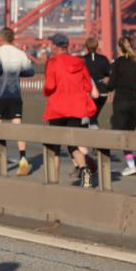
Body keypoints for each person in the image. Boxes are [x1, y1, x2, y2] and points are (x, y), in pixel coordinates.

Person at [42, 33, 99, 188]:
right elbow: (88, 86)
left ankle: (53, 182)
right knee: (73, 143)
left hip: (57, 108)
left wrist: (47, 92)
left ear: (54, 46)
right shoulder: (79, 62)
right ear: (66, 46)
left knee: (54, 146)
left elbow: (49, 86)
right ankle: (84, 169)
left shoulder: (52, 62)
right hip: (76, 108)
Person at [0, 27, 34, 176]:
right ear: (13, 38)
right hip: (15, 96)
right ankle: (23, 159)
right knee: (18, 129)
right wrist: (18, 72)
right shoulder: (20, 53)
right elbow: (30, 72)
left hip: (0, 96)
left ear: (1, 38)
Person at [107, 37, 136, 176]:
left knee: (122, 135)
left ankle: (131, 165)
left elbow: (111, 85)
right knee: (130, 133)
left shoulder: (117, 63)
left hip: (121, 102)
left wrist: (106, 82)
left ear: (119, 48)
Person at [81, 36, 111, 129]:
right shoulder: (103, 59)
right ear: (97, 46)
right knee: (94, 115)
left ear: (86, 46)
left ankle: (89, 137)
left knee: (89, 116)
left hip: (88, 93)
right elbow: (109, 72)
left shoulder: (83, 60)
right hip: (102, 92)